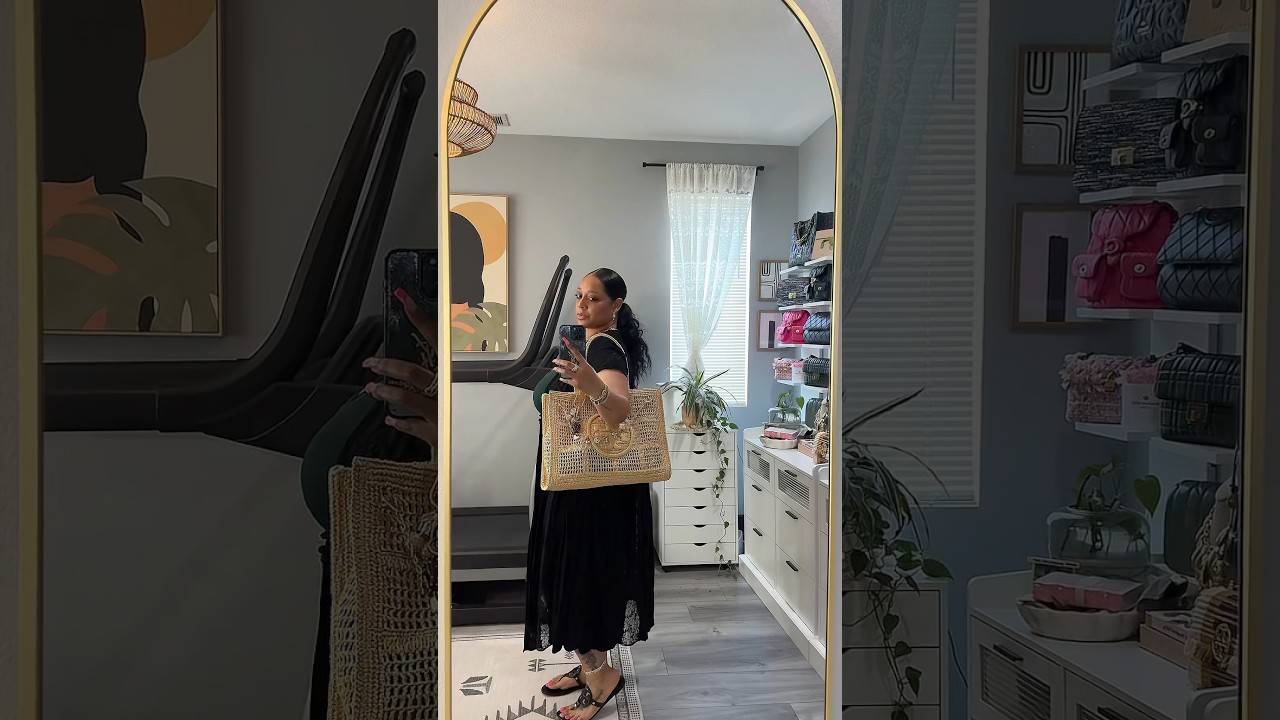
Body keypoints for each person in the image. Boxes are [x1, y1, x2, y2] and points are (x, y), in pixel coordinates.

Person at [530, 268, 655, 720]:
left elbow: (618, 409)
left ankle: (601, 675)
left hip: (587, 488)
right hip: (584, 482)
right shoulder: (597, 342)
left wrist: (590, 385)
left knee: (576, 575)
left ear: (616, 305)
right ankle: (589, 666)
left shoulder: (604, 346)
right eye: (580, 296)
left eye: (594, 298)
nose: (582, 305)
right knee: (581, 572)